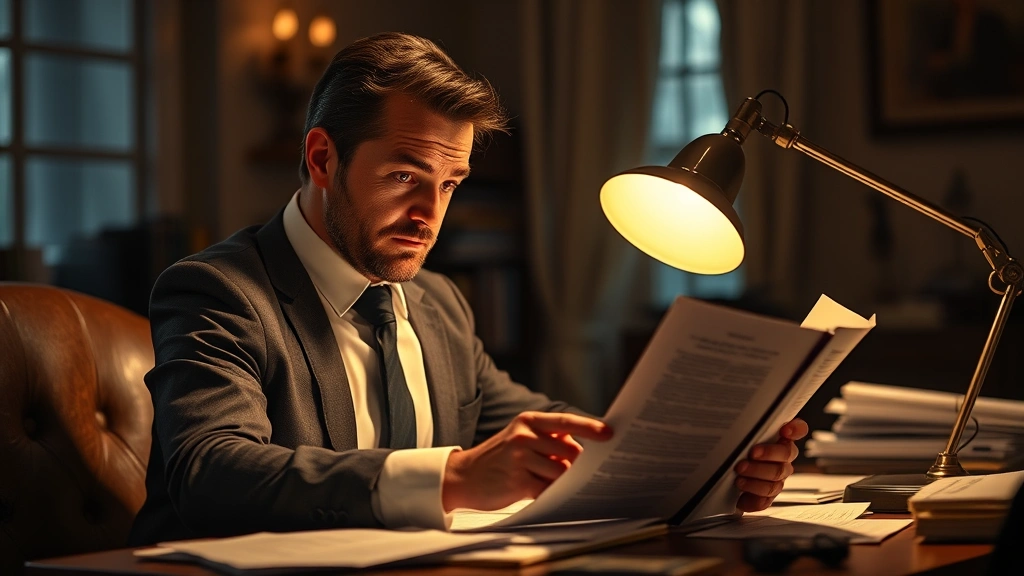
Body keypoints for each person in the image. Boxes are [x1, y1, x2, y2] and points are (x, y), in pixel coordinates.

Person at [128, 32, 807, 544]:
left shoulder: (437, 303)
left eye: (449, 183)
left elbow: (539, 432)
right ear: (322, 158)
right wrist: (452, 478)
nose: (430, 213)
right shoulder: (218, 290)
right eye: (403, 176)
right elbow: (209, 473)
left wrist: (714, 466)